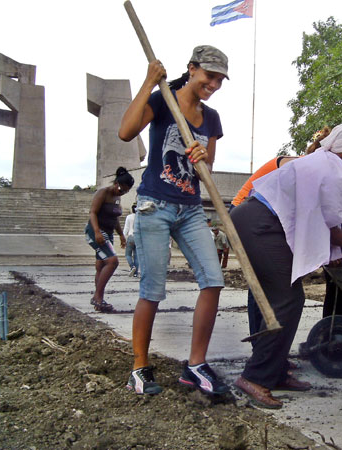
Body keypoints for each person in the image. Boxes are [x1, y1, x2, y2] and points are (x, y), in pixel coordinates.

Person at [231, 124, 342, 408]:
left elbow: (328, 219)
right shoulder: (331, 167)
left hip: (262, 222)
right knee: (286, 299)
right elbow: (331, 228)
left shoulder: (326, 164)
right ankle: (255, 377)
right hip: (259, 223)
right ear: (339, 148)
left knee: (288, 299)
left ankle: (273, 372)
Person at [118, 45, 230, 396]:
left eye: (220, 79)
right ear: (192, 69)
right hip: (154, 205)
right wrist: (149, 82)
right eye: (209, 76)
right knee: (152, 289)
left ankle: (196, 366)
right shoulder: (162, 100)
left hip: (191, 209)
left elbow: (206, 167)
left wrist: (200, 157)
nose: (214, 83)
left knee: (213, 281)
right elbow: (125, 131)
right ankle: (139, 367)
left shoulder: (211, 118)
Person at [85, 167, 134, 312]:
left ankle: (98, 301)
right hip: (96, 232)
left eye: (125, 191)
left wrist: (121, 235)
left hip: (108, 232)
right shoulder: (103, 193)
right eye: (121, 189)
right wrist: (97, 232)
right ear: (116, 183)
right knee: (112, 261)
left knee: (101, 265)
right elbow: (92, 213)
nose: (122, 192)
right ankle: (97, 297)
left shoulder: (117, 197)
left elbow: (115, 219)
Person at [124, 203, 139, 277]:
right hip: (138, 237)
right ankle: (136, 273)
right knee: (136, 256)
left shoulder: (129, 217)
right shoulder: (140, 217)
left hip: (131, 236)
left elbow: (126, 228)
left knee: (128, 254)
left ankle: (132, 266)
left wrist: (123, 237)